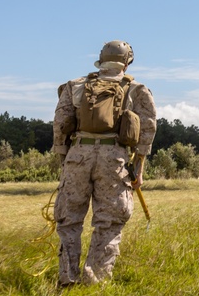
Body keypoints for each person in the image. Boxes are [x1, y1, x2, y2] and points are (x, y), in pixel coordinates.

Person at [52, 39, 157, 287]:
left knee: (69, 221)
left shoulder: (74, 86)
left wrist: (65, 160)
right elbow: (147, 131)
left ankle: (67, 277)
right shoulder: (138, 90)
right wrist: (138, 169)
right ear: (127, 61)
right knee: (108, 222)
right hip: (115, 159)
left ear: (100, 59)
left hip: (78, 155)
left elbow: (60, 125)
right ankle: (95, 280)